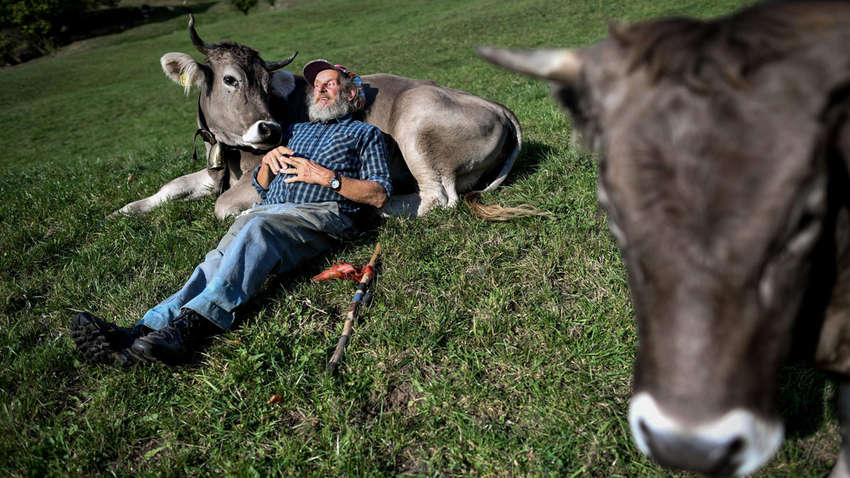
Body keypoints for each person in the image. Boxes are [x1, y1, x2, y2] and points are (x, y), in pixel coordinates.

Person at [71, 59, 392, 366]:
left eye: (329, 85)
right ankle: (138, 333)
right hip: (269, 211)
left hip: (321, 215)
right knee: (215, 261)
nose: (319, 90)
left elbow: (378, 195)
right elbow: (262, 186)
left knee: (257, 229)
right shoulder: (294, 131)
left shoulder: (367, 135)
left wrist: (326, 177)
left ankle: (193, 327)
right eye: (316, 85)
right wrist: (267, 165)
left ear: (350, 94)